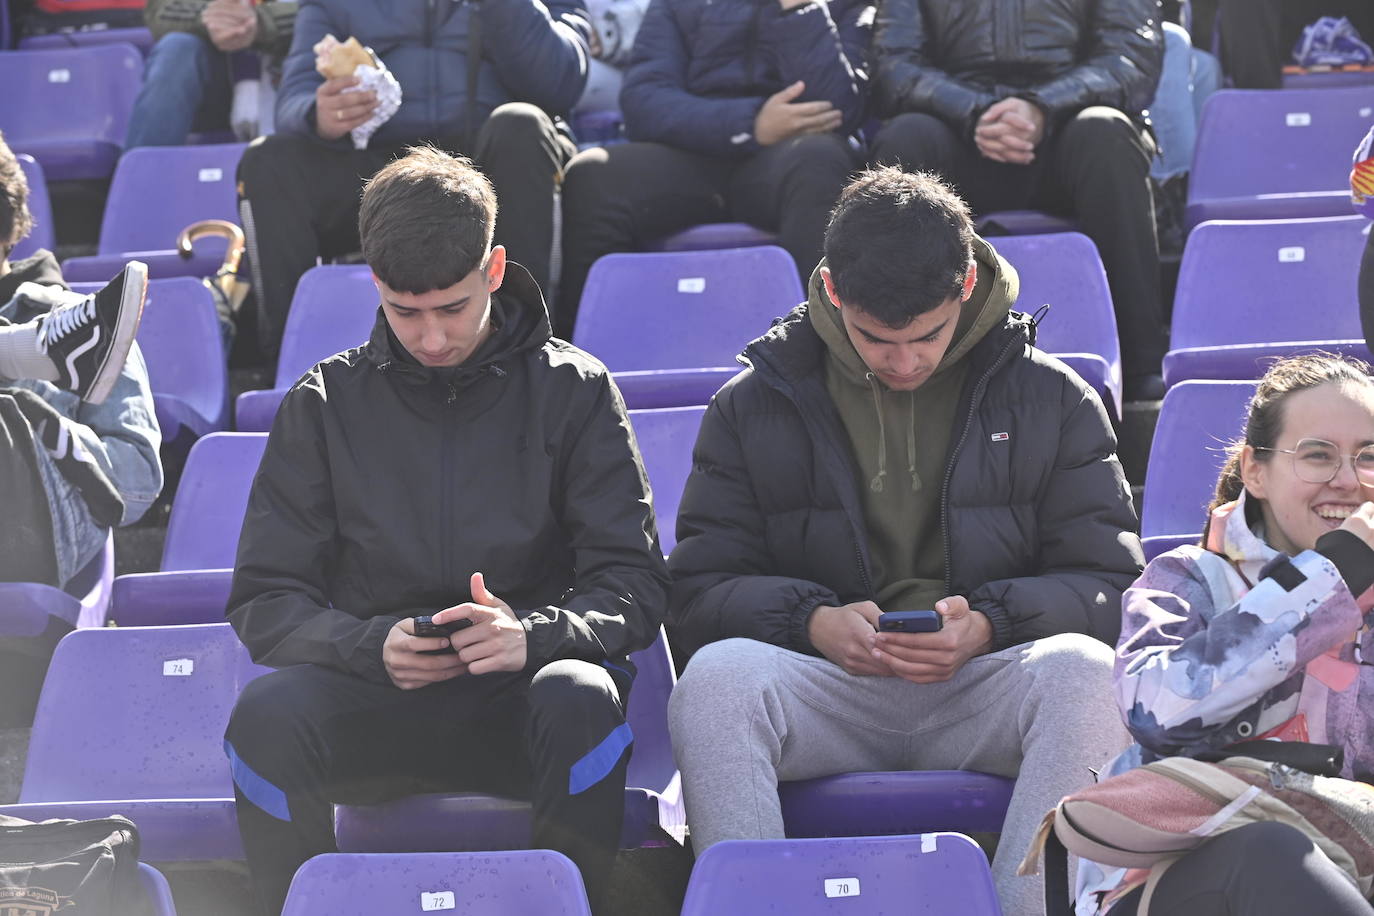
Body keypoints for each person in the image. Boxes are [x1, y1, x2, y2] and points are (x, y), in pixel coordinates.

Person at [666, 167, 1142, 914]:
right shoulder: (750, 406)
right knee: (716, 682)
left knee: (1085, 674)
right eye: (876, 339)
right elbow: (695, 594)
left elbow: (1112, 586)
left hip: (985, 684)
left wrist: (991, 623)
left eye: (926, 336)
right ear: (830, 290)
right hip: (824, 688)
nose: (904, 360)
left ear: (964, 290)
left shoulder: (1056, 398)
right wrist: (810, 622)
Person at [223, 147, 669, 914]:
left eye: (451, 308)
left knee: (580, 695)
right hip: (375, 702)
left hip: (526, 705)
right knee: (263, 719)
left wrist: (532, 635)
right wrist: (368, 646)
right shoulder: (321, 403)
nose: (430, 338)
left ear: (494, 269)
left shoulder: (577, 390)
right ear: (375, 284)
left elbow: (634, 584)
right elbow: (264, 601)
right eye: (405, 312)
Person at [1079, 354, 1374, 915]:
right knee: (1274, 855)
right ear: (1256, 472)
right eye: (1317, 455)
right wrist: (1329, 582)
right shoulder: (1188, 578)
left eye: (1369, 456)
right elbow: (1155, 710)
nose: (1346, 479)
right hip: (1181, 881)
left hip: (1355, 869)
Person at [236, 0, 589, 363]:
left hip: (489, 167)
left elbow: (559, 84)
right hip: (379, 174)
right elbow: (294, 98)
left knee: (522, 124)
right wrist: (320, 114)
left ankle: (529, 352)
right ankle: (290, 365)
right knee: (267, 160)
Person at [867, 0, 1167, 401]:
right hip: (957, 128)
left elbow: (1131, 60)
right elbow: (892, 66)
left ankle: (1140, 362)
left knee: (1107, 133)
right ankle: (901, 356)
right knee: (905, 139)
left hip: (1066, 128)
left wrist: (1042, 107)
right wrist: (973, 111)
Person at [555, 0, 871, 337]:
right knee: (593, 176)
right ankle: (580, 361)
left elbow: (840, 109)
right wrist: (751, 124)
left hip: (788, 161)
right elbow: (644, 102)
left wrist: (799, 10)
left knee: (821, 158)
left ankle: (820, 353)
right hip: (693, 154)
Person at [0, 131, 161, 727]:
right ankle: (19, 356)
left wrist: (49, 436)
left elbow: (138, 481)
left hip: (30, 542)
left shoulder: (80, 319)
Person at [125, 0, 297, 149]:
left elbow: (322, 12)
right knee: (178, 47)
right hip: (218, 85)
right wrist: (217, 18)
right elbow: (163, 10)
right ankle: (142, 178)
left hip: (300, 73)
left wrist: (261, 22)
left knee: (316, 44)